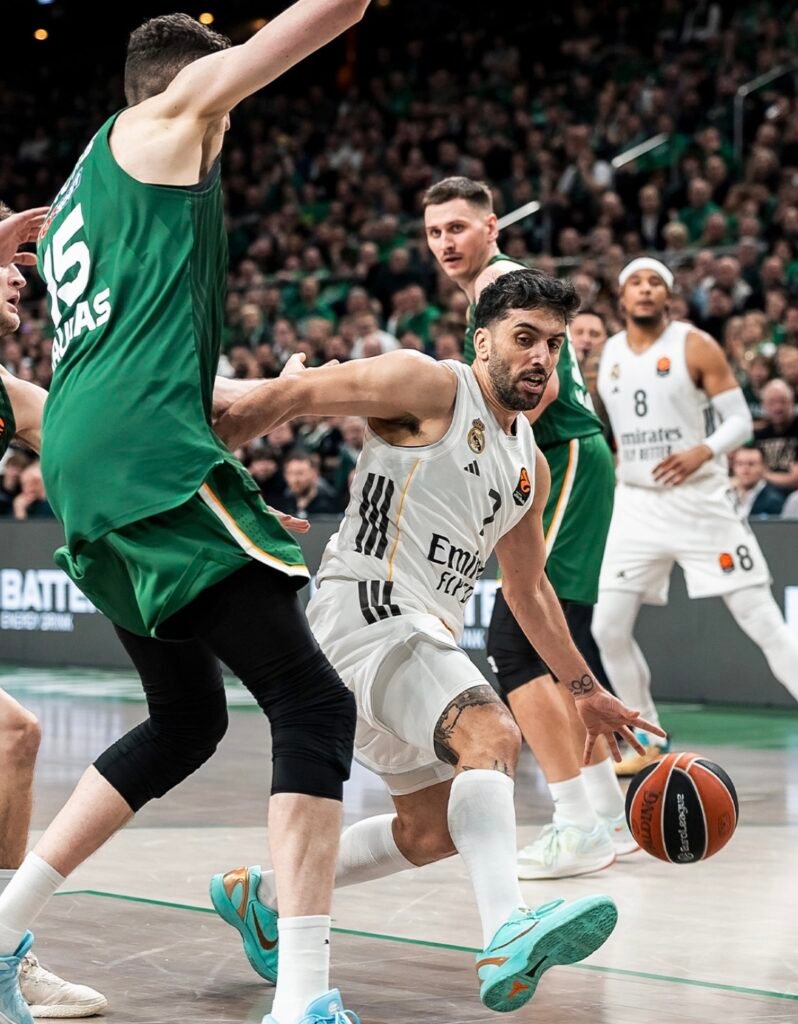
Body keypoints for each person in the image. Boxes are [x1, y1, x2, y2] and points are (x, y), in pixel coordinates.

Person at [0, 7, 372, 1024]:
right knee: (313, 705)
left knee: (189, 718)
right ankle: (303, 998)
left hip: (85, 457)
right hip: (136, 456)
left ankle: (1, 928)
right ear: (186, 86)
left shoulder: (88, 185)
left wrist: (234, 465)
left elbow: (140, 364)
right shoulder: (169, 119)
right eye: (225, 98)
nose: (230, 117)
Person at [212, 271, 662, 1014]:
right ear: (482, 341)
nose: (540, 357)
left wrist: (585, 691)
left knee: (432, 831)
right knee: (491, 731)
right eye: (524, 338)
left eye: (553, 345)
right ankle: (507, 930)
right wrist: (219, 476)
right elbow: (299, 394)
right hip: (365, 608)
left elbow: (528, 591)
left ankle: (260, 898)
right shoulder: (429, 385)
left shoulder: (530, 464)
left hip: (414, 637)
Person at [422, 177, 633, 880]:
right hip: (559, 459)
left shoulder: (502, 285)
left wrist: (488, 454)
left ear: (492, 227)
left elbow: (541, 392)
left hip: (561, 455)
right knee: (544, 642)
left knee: (519, 643)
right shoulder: (491, 291)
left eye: (458, 227)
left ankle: (577, 823)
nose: (446, 242)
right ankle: (604, 816)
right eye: (434, 232)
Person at [593, 257, 798, 776]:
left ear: (669, 296)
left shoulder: (694, 344)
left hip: (700, 500)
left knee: (762, 620)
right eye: (635, 282)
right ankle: (646, 734)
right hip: (636, 503)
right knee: (607, 627)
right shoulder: (609, 353)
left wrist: (702, 451)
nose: (644, 290)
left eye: (654, 283)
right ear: (622, 296)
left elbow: (739, 422)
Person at [0, 206, 108, 1018]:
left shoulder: (9, 398)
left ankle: (3, 949)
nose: (19, 275)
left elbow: (108, 438)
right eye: (4, 260)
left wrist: (232, 498)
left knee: (14, 737)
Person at [730, 447, 786, 517]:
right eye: (740, 464)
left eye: (751, 464)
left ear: (764, 467)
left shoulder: (774, 500)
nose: (745, 469)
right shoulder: (726, 495)